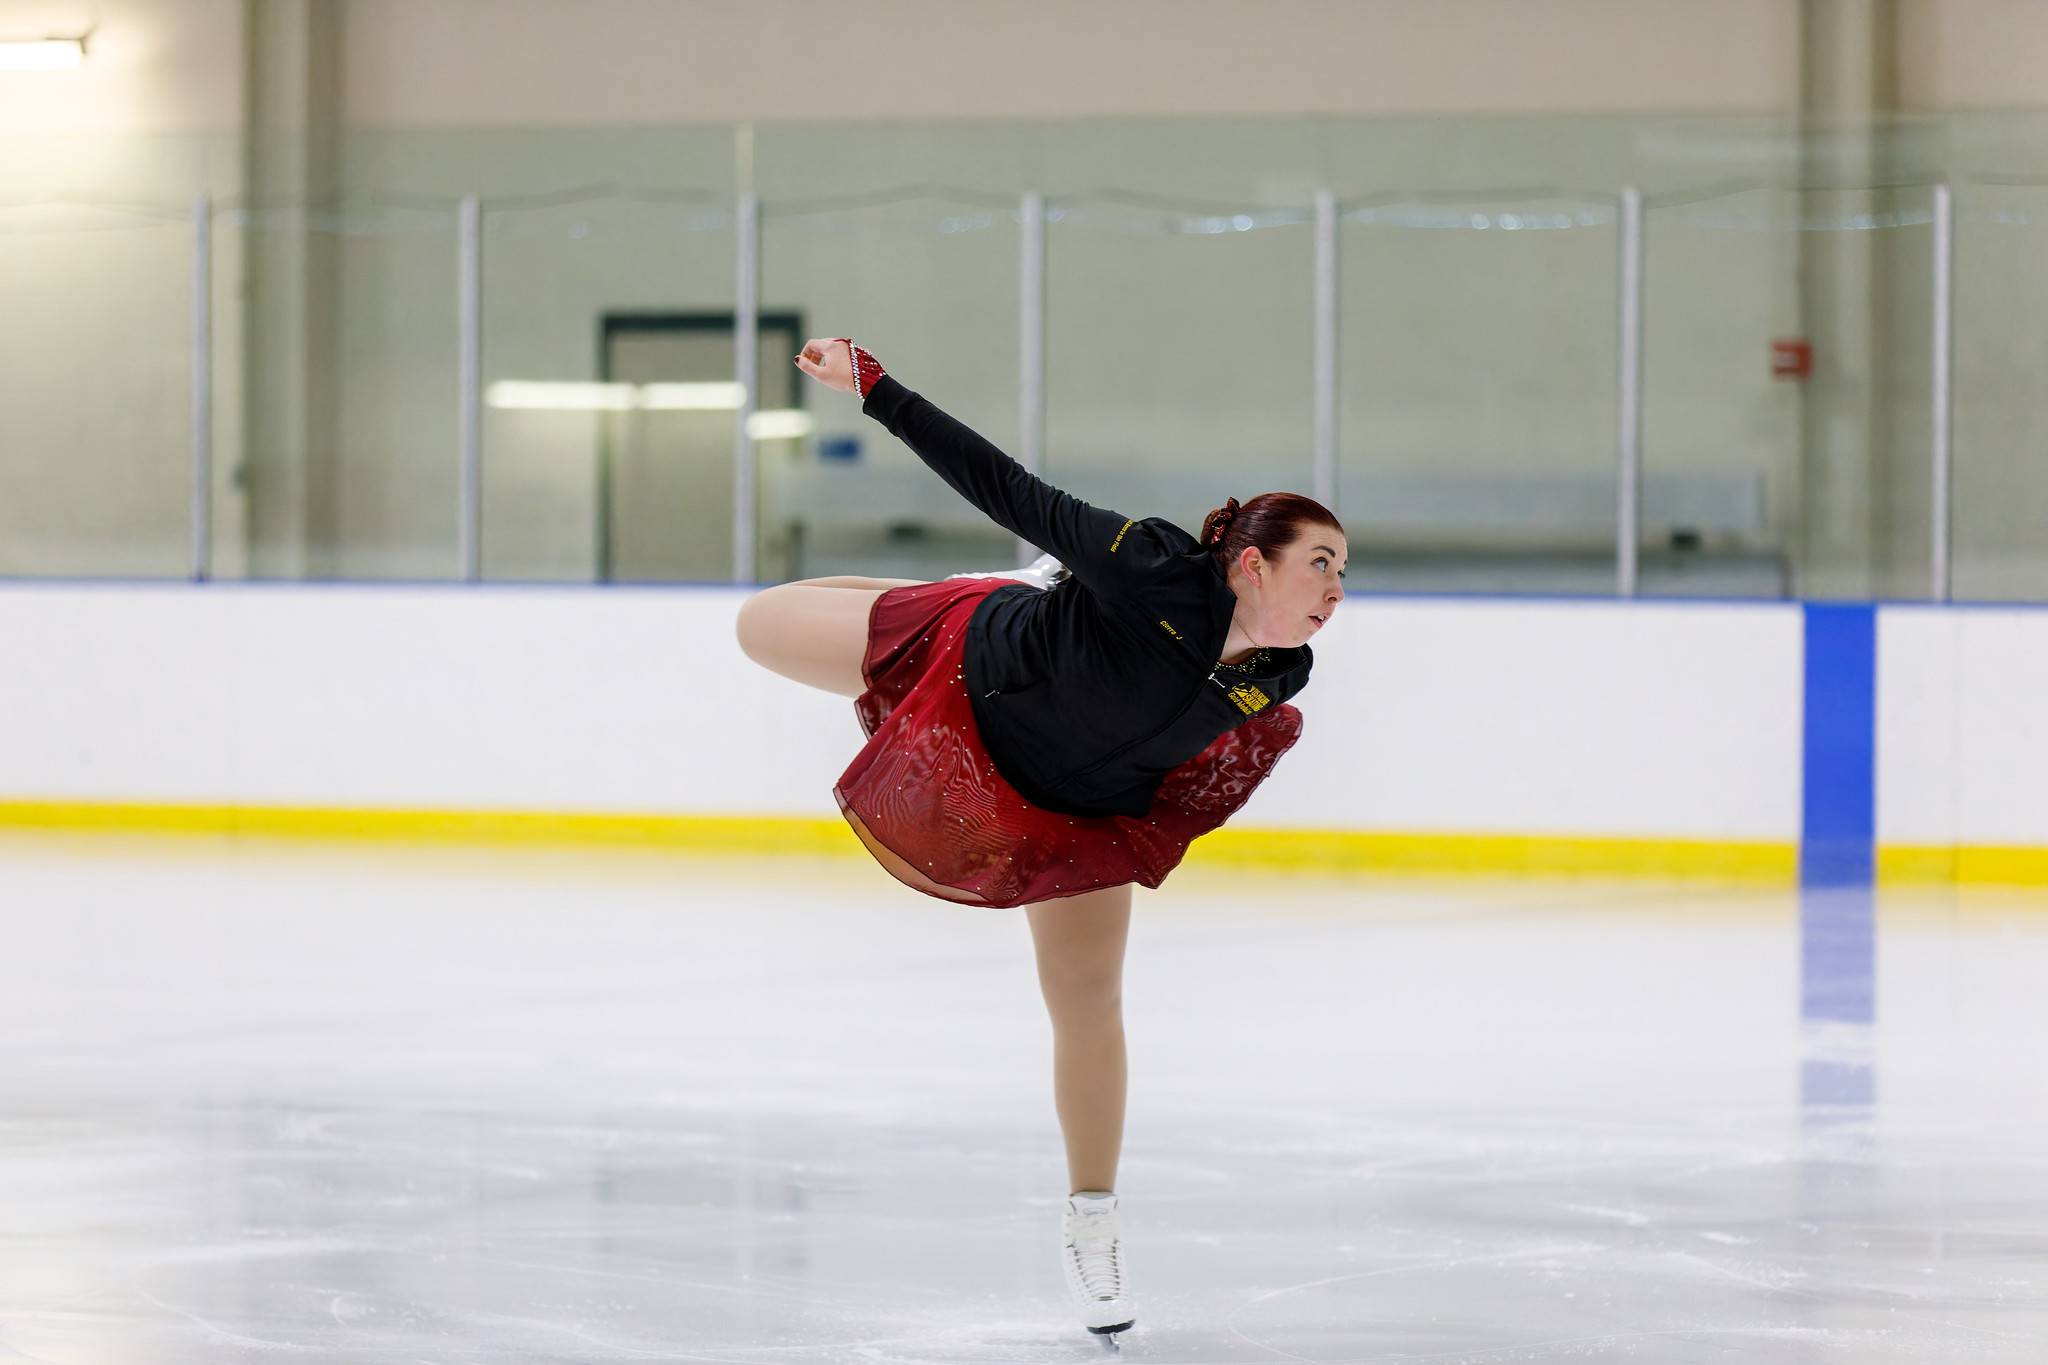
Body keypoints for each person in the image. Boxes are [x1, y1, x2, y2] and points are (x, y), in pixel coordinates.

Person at [736, 337, 1347, 1336]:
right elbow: (1003, 480)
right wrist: (874, 387)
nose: (1333, 589)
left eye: (1341, 571)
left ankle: (1091, 1226)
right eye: (1318, 564)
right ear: (1248, 563)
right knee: (757, 625)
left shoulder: (1277, 674)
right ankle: (992, 590)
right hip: (960, 670)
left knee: (1086, 1004)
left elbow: (1162, 736)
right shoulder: (1148, 567)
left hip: (1079, 812)